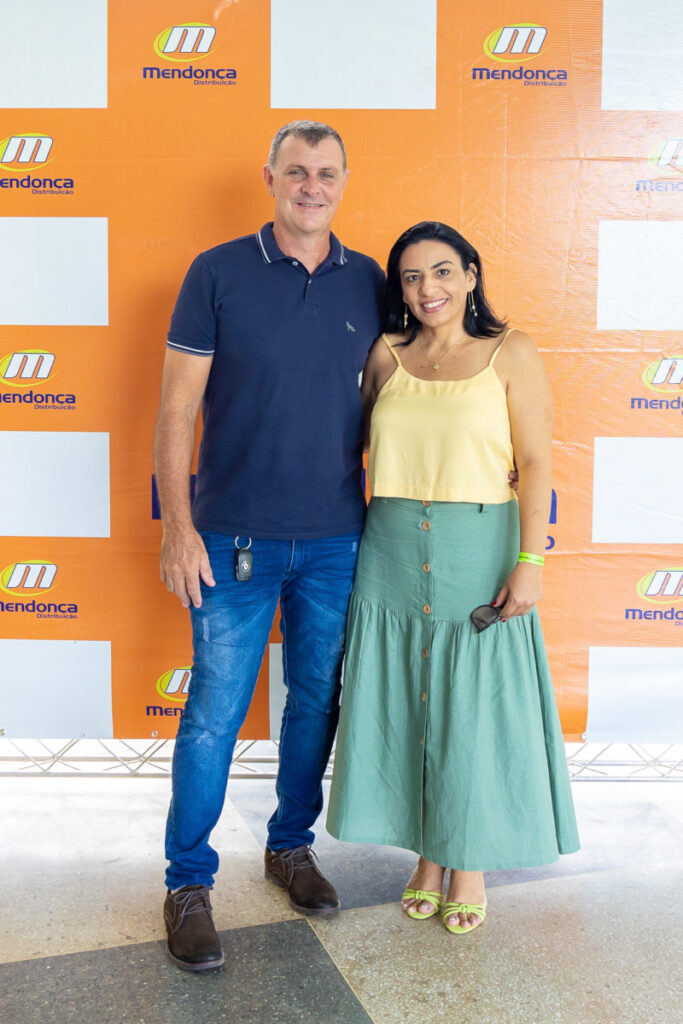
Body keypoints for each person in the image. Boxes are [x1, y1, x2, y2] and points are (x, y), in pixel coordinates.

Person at [154, 120, 385, 971]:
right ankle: (187, 882)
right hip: (232, 540)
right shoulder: (216, 271)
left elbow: (397, 398)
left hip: (337, 540)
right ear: (270, 178)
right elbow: (176, 409)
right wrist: (179, 527)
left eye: (325, 173)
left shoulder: (370, 280)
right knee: (213, 713)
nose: (310, 186)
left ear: (343, 181)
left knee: (315, 701)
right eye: (296, 171)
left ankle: (289, 847)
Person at [327, 221, 579, 935]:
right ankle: (428, 855)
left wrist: (529, 561)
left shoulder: (511, 351)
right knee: (408, 704)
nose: (427, 288)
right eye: (411, 277)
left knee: (470, 709)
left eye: (441, 271)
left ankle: (465, 860)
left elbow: (535, 461)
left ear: (470, 275)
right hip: (390, 547)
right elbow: (349, 439)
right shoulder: (386, 354)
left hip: (480, 546)